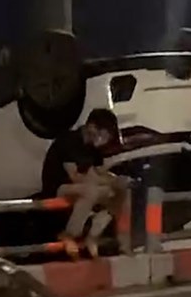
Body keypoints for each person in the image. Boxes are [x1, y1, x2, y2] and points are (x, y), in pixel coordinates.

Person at [41, 108, 129, 259]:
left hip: (82, 187)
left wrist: (116, 180)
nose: (104, 140)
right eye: (104, 135)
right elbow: (75, 176)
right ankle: (70, 234)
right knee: (91, 191)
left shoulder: (93, 148)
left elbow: (98, 171)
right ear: (92, 127)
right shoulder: (68, 141)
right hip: (58, 187)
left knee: (118, 193)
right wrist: (104, 181)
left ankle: (94, 236)